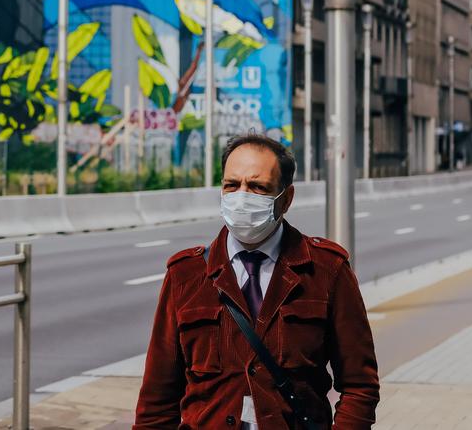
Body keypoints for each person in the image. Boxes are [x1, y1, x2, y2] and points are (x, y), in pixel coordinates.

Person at [134, 133, 379, 429]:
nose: (241, 197)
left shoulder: (327, 271)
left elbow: (360, 385)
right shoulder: (185, 275)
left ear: (286, 199)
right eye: (232, 185)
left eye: (258, 187)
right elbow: (157, 400)